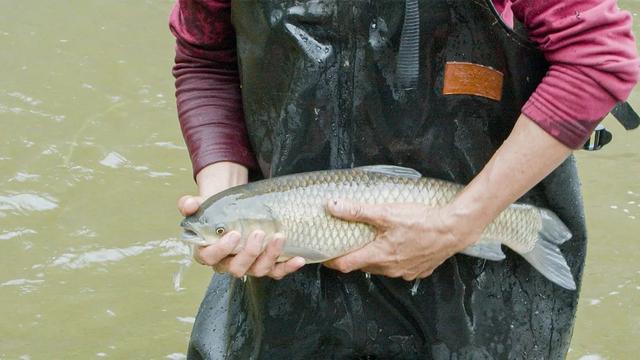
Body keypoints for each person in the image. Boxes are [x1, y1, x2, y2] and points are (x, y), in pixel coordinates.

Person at [170, 0, 639, 358]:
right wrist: (225, 204)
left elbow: (598, 59)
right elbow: (205, 56)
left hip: (477, 287)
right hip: (284, 287)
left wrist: (459, 223)